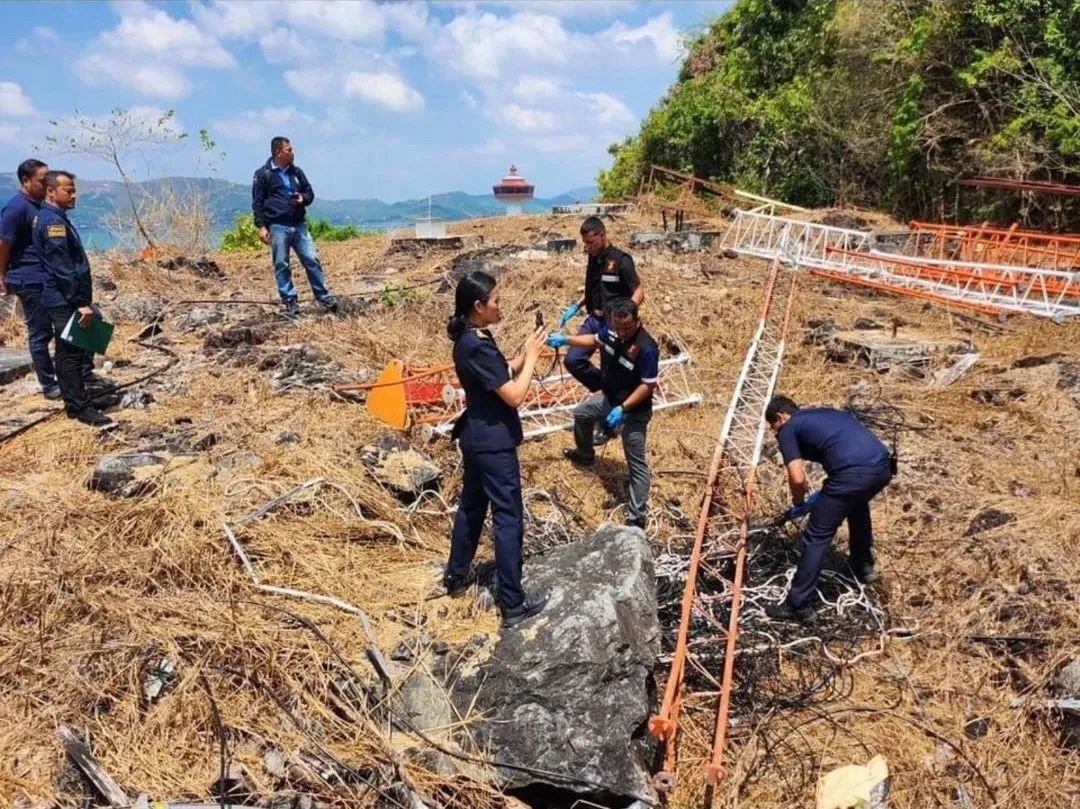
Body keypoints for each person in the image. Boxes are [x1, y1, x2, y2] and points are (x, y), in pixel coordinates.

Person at [443, 269, 549, 629]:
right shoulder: (475, 344)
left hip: (477, 438)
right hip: (493, 444)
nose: (500, 305)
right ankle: (513, 604)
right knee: (508, 518)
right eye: (496, 301)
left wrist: (525, 353)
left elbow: (501, 371)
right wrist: (533, 359)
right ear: (478, 306)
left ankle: (456, 576)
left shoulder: (472, 338)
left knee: (472, 509)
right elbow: (514, 395)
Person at [763, 395, 894, 622]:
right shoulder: (826, 413)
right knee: (856, 505)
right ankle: (863, 567)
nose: (775, 434)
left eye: (773, 428)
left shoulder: (788, 428)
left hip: (851, 475)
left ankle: (798, 605)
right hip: (883, 466)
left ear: (780, 417)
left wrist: (798, 503)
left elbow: (796, 477)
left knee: (816, 536)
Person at [548, 297, 659, 530]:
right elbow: (594, 340)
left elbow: (647, 385)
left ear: (637, 321)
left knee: (635, 463)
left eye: (626, 328)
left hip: (633, 411)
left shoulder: (646, 347)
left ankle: (637, 516)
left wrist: (624, 408)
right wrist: (567, 339)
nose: (621, 333)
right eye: (617, 328)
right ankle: (585, 453)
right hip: (609, 399)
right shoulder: (611, 331)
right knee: (582, 414)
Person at [1, 159, 101, 399]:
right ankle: (50, 384)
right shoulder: (16, 208)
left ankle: (83, 373)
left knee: (92, 318)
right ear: (26, 181)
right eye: (41, 180)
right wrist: (2, 275)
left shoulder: (42, 209)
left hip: (49, 278)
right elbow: (3, 243)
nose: (45, 184)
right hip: (30, 278)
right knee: (41, 332)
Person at [32, 171, 112, 427]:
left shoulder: (55, 218)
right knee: (70, 353)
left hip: (63, 296)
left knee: (76, 350)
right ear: (51, 191)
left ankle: (78, 399)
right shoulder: (51, 223)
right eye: (69, 190)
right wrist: (80, 303)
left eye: (74, 190)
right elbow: (62, 267)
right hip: (63, 299)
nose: (74, 195)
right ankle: (78, 407)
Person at [557, 217, 644, 402]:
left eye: (591, 242)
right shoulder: (593, 258)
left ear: (602, 235)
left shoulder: (621, 260)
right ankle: (604, 388)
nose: (588, 247)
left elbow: (639, 291)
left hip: (612, 323)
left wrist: (627, 316)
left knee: (611, 367)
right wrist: (576, 306)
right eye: (585, 243)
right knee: (573, 360)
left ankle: (616, 405)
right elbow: (594, 289)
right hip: (593, 320)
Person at [251, 136, 338, 318]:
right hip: (278, 226)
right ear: (278, 152)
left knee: (311, 259)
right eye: (289, 150)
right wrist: (261, 226)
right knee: (282, 264)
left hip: (299, 224)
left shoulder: (297, 172)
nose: (292, 152)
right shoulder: (263, 174)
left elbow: (309, 193)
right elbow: (257, 202)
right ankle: (290, 301)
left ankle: (323, 296)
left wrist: (302, 199)